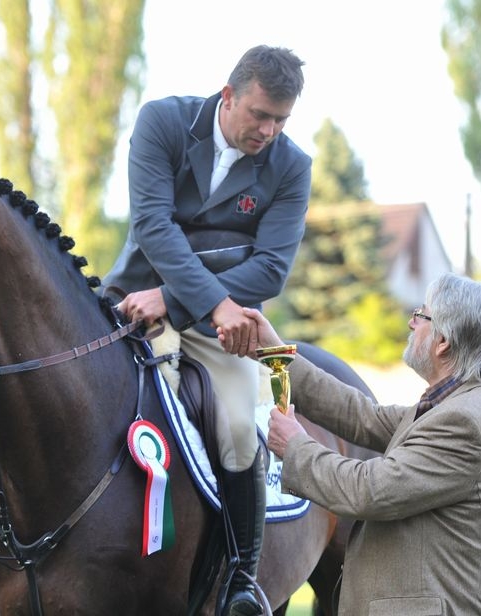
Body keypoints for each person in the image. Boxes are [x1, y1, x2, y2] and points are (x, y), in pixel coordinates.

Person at [105, 45, 310, 615]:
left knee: (243, 429)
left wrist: (181, 300)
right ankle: (2, 546)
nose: (268, 130)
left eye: (281, 120)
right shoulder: (163, 123)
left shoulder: (292, 167)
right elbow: (153, 224)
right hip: (130, 305)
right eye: (260, 115)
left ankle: (242, 578)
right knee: (53, 384)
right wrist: (201, 296)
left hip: (223, 330)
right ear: (229, 96)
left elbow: (270, 267)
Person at [225, 272, 481, 616]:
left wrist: (295, 445)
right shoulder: (464, 404)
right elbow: (361, 415)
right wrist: (274, 353)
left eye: (422, 315)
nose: (412, 323)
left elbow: (368, 491)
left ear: (443, 341)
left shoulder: (465, 422)